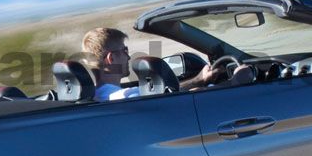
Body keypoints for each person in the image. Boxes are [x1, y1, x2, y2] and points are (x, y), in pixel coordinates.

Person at [81, 27, 249, 100]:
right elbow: (189, 99)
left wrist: (199, 79)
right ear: (111, 59)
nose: (128, 55)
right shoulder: (126, 98)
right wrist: (234, 82)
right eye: (124, 50)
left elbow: (166, 94)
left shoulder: (101, 96)